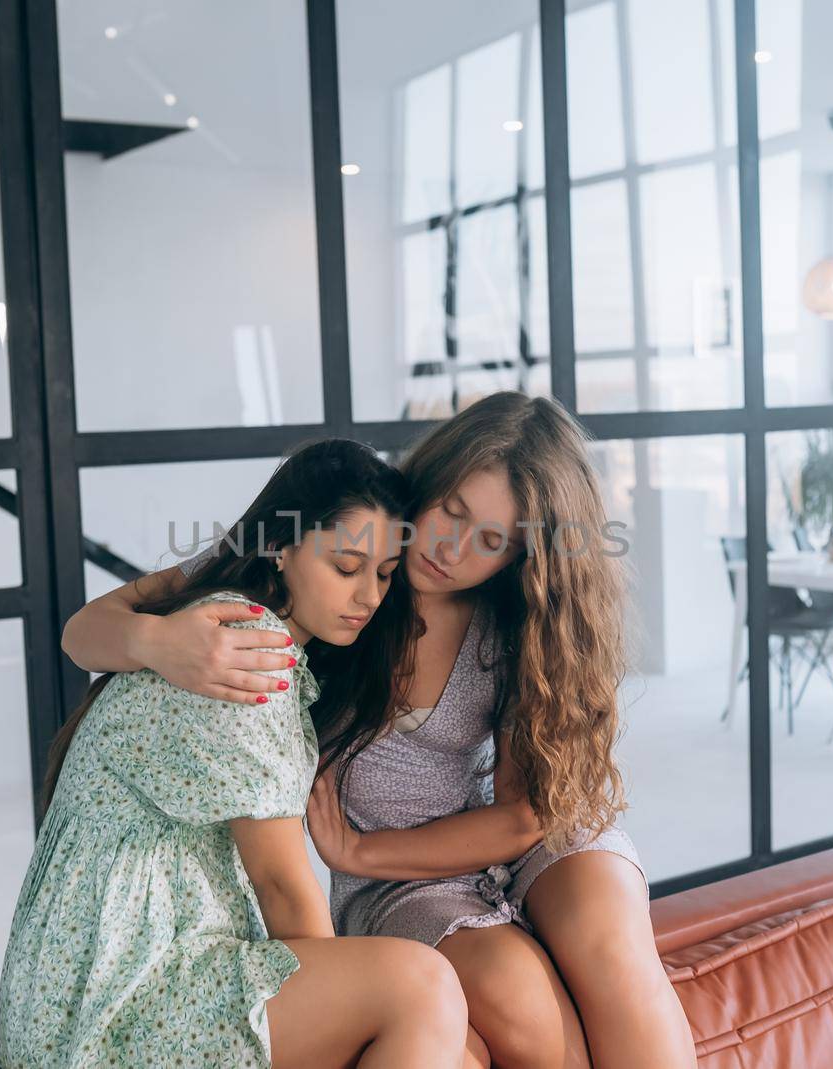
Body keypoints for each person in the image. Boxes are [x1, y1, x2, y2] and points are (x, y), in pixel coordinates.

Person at [62, 392, 698, 1068]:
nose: (452, 550)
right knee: (527, 1010)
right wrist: (154, 640)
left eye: (489, 541)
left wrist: (359, 850)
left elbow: (522, 818)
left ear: (521, 557)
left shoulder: (516, 623)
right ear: (430, 480)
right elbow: (83, 632)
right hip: (402, 882)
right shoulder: (334, 552)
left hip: (505, 835)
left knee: (611, 941)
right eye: (450, 512)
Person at [0, 439, 474, 1068]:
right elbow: (282, 887)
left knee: (449, 1036)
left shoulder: (231, 613)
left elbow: (90, 628)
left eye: (384, 574)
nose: (368, 597)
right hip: (117, 996)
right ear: (280, 545)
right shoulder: (240, 650)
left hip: (133, 971)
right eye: (346, 566)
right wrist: (344, 1006)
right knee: (420, 985)